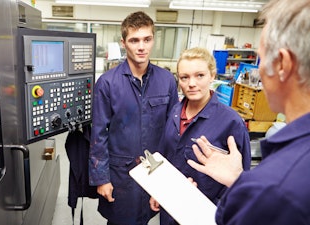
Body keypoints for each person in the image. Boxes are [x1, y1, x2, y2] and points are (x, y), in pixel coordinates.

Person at [187, 0, 310, 224]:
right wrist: (238, 179)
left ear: (282, 64)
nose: (259, 71)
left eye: (261, 57)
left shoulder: (274, 188)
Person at [89, 11, 179, 225]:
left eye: (147, 39)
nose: (141, 46)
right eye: (134, 40)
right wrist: (102, 178)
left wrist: (174, 176)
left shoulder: (166, 80)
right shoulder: (107, 83)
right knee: (122, 219)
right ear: (123, 43)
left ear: (153, 40)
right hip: (121, 174)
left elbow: (173, 131)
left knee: (147, 217)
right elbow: (98, 134)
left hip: (155, 171)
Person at [149, 47, 251, 225]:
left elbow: (241, 178)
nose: (191, 83)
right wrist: (158, 190)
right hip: (171, 207)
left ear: (212, 76)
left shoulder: (231, 122)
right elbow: (164, 156)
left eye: (200, 75)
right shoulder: (174, 112)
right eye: (184, 77)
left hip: (205, 214)